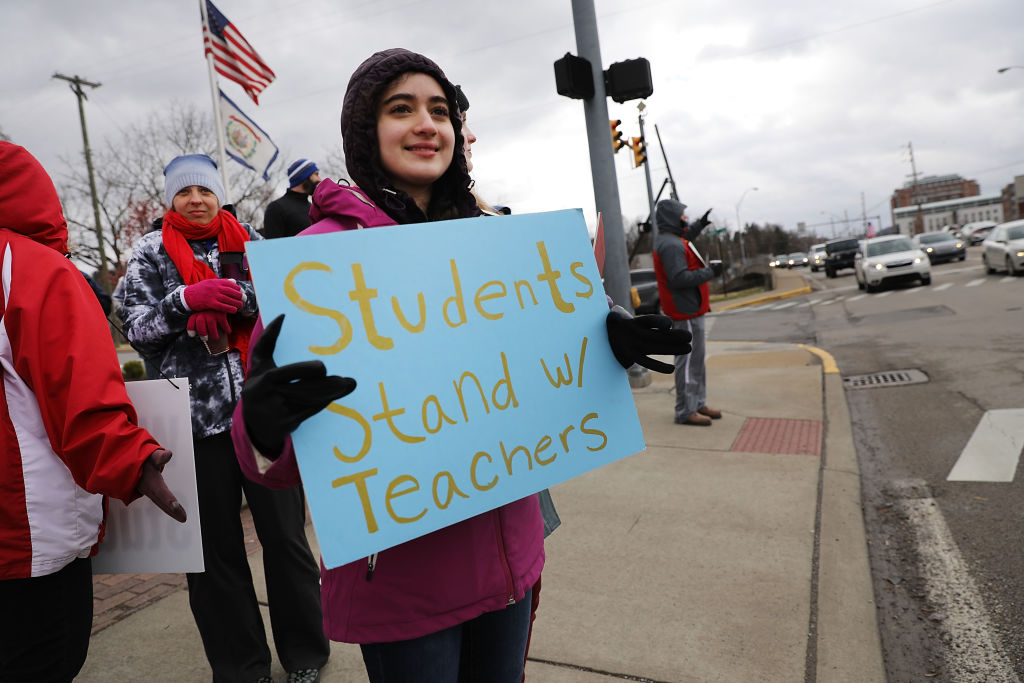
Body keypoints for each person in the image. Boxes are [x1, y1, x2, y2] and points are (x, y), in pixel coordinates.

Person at [230, 48, 690, 683]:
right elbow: (276, 465)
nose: (427, 124)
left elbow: (535, 366)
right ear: (366, 131)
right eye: (402, 110)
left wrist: (605, 342)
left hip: (510, 559)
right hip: (402, 584)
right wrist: (262, 425)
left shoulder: (499, 242)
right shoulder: (315, 266)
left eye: (439, 110)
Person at [119, 154, 328, 683]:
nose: (196, 199)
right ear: (171, 199)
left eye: (205, 191)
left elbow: (289, 305)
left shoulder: (251, 243)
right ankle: (242, 667)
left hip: (259, 423)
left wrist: (240, 299)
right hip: (192, 426)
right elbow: (136, 327)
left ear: (219, 196)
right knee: (214, 555)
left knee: (286, 542)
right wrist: (185, 300)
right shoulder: (147, 253)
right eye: (185, 192)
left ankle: (306, 654)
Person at [0, 141, 187, 682]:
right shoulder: (33, 268)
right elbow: (79, 394)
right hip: (28, 537)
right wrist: (133, 458)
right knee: (48, 658)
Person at [652, 198, 724, 426]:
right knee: (688, 362)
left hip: (690, 308)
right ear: (673, 218)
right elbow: (679, 278)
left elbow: (685, 239)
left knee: (696, 361)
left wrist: (699, 225)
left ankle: (697, 403)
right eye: (682, 216)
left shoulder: (672, 239)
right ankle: (685, 410)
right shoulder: (670, 245)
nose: (685, 219)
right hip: (685, 311)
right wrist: (710, 272)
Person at [262, 158, 322, 239]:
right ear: (303, 176)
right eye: (316, 174)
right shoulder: (276, 208)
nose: (319, 179)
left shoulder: (313, 209)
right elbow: (271, 247)